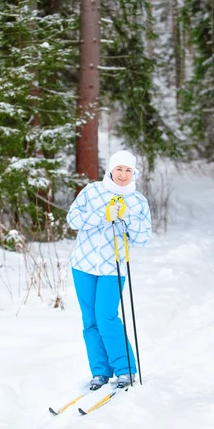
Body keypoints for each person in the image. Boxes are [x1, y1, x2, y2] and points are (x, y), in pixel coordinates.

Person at [67, 150, 152, 390]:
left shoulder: (137, 201)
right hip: (82, 265)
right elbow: (73, 219)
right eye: (119, 169)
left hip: (112, 267)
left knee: (106, 316)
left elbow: (143, 238)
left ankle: (125, 369)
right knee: (90, 320)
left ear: (134, 172)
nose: (123, 175)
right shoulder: (92, 192)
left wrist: (128, 219)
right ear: (111, 170)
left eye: (128, 170)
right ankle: (100, 371)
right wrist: (102, 215)